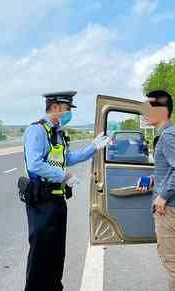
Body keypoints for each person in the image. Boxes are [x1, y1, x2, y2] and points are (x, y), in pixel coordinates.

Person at [22, 91, 111, 291]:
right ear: (55, 107)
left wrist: (93, 147)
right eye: (67, 109)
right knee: (40, 255)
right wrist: (65, 176)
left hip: (57, 200)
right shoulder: (36, 131)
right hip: (41, 200)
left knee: (56, 254)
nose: (69, 113)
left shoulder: (59, 132)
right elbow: (34, 164)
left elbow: (68, 158)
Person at [137, 90, 175, 291]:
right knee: (171, 259)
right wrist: (154, 179)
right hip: (171, 205)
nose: (144, 113)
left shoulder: (168, 137)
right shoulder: (170, 134)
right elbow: (173, 167)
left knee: (171, 261)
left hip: (169, 208)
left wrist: (163, 195)